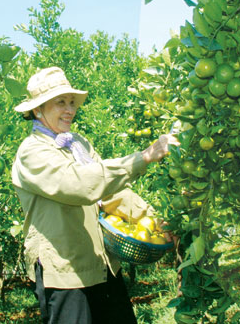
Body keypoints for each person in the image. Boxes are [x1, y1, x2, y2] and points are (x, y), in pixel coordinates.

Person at [11, 67, 179, 324]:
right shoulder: (32, 152)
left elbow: (111, 192)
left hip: (102, 267)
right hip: (66, 274)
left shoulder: (77, 143)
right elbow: (80, 184)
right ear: (37, 109)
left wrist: (154, 220)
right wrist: (142, 158)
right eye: (60, 103)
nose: (69, 109)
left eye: (71, 102)